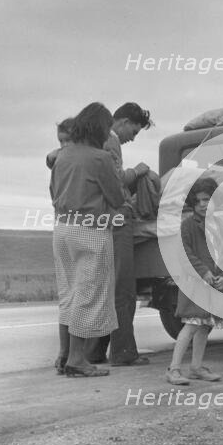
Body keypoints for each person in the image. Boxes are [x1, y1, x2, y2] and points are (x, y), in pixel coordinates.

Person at [50, 102, 124, 377]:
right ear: (100, 129)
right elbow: (116, 197)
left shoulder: (62, 155)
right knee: (88, 292)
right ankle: (77, 360)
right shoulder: (100, 158)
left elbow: (53, 193)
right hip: (90, 230)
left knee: (68, 292)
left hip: (62, 229)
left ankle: (63, 354)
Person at [85, 102, 153, 366]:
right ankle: (123, 352)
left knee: (103, 287)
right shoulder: (111, 142)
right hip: (117, 218)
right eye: (133, 132)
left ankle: (94, 351)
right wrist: (138, 172)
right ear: (122, 122)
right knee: (123, 288)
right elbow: (115, 180)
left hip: (97, 220)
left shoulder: (92, 141)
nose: (132, 138)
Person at [166, 177, 223, 385]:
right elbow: (185, 254)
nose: (203, 204)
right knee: (191, 325)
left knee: (204, 327)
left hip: (212, 286)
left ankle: (196, 367)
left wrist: (222, 276)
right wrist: (203, 272)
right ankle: (173, 369)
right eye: (199, 200)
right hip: (194, 284)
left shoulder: (219, 226)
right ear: (192, 202)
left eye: (208, 199)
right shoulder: (187, 226)